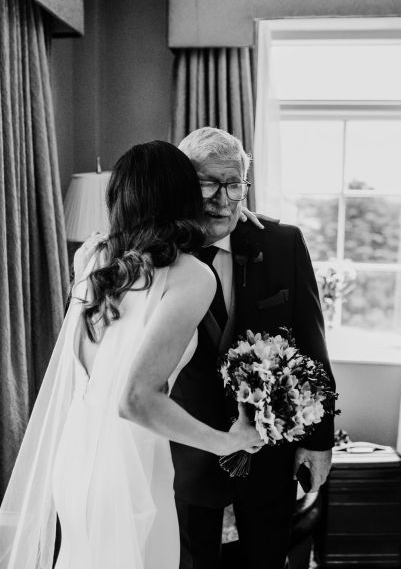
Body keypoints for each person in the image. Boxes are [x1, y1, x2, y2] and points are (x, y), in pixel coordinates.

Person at [0, 141, 263, 569]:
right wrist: (228, 441)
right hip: (131, 467)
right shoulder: (192, 275)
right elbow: (136, 398)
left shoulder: (96, 260)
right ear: (184, 197)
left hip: (76, 457)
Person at [169, 127, 336, 569]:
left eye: (234, 184)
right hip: (187, 449)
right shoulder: (159, 252)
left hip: (269, 449)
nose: (221, 199)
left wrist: (318, 442)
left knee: (266, 558)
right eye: (206, 182)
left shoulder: (283, 245)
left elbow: (312, 348)